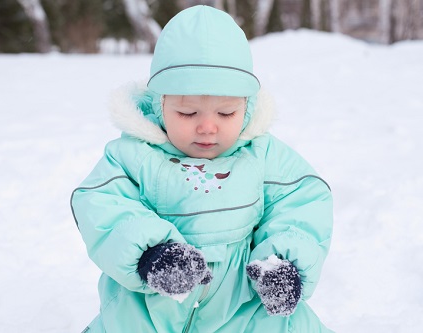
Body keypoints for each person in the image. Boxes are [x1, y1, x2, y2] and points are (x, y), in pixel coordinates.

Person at [71, 5, 333, 333]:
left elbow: (302, 201)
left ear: (247, 107)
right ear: (159, 103)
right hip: (151, 306)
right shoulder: (134, 155)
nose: (207, 127)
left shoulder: (263, 154)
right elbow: (101, 204)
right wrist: (151, 254)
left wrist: (283, 264)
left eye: (225, 114)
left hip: (245, 305)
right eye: (187, 112)